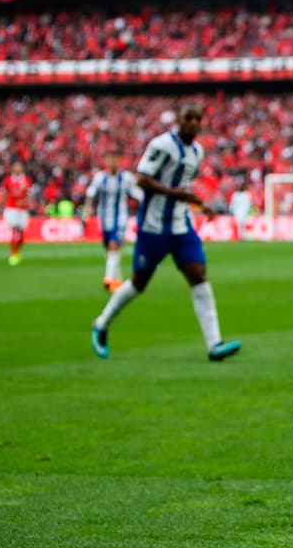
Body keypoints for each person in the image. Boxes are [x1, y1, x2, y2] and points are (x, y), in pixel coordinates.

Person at [90, 105, 241, 362]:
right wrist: (174, 194)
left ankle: (214, 344)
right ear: (179, 121)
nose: (193, 123)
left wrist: (199, 204)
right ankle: (101, 324)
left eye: (197, 119)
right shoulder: (162, 145)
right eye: (188, 118)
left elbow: (183, 187)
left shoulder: (197, 151)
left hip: (181, 226)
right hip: (153, 227)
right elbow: (142, 179)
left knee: (198, 275)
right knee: (139, 283)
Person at [85, 148, 144, 292]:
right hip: (104, 219)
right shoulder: (100, 178)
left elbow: (138, 194)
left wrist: (143, 202)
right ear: (105, 161)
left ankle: (108, 278)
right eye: (109, 158)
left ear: (119, 160)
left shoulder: (126, 178)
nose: (112, 161)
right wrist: (88, 208)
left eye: (115, 158)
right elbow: (91, 193)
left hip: (120, 218)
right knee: (110, 250)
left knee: (113, 245)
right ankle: (117, 281)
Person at [0, 160, 33, 266]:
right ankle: (13, 254)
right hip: (11, 208)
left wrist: (26, 202)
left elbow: (29, 195)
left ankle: (18, 251)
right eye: (15, 166)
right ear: (12, 168)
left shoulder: (27, 180)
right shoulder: (8, 180)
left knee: (21, 233)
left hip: (23, 209)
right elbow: (3, 195)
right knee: (15, 231)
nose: (17, 168)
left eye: (19, 166)